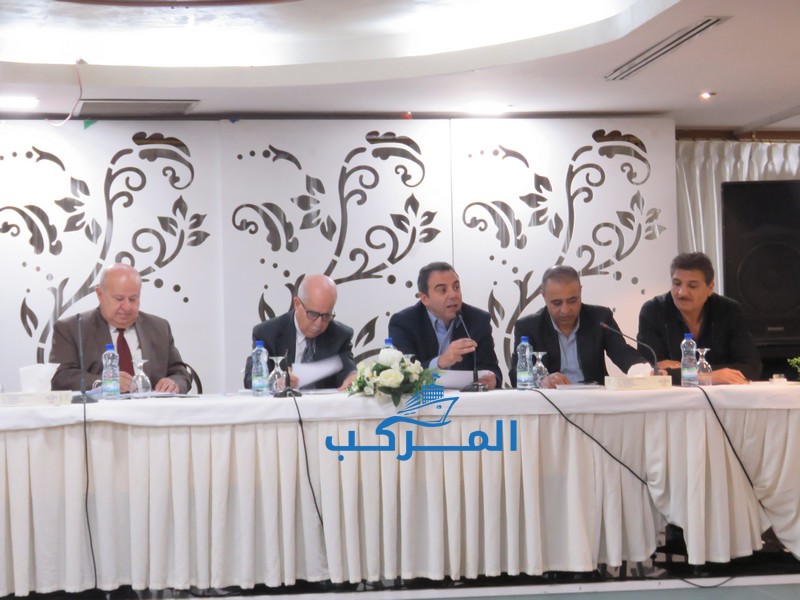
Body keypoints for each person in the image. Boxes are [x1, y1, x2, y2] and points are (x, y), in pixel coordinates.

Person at [50, 263, 192, 394]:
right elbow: (61, 378)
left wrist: (174, 383)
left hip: (151, 410)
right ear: (99, 294)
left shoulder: (159, 327)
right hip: (100, 411)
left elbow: (180, 372)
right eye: (119, 299)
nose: (127, 307)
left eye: (133, 299)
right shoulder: (72, 329)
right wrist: (103, 383)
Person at [509, 265, 650, 388]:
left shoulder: (599, 318)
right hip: (551, 402)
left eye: (572, 301)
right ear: (544, 297)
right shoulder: (528, 326)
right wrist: (542, 381)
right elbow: (516, 374)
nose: (565, 310)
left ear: (580, 291)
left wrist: (645, 371)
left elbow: (622, 353)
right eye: (557, 303)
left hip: (595, 400)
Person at [637, 251, 762, 384]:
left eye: (692, 285)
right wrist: (708, 376)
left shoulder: (729, 310)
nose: (682, 293)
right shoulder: (653, 310)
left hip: (723, 395)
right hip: (672, 396)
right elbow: (650, 372)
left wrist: (683, 371)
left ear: (710, 287)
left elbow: (751, 367)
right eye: (677, 283)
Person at [388, 261, 502, 389]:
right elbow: (402, 374)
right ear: (425, 298)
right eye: (442, 290)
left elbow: (492, 369)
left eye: (456, 287)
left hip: (466, 399)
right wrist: (440, 362)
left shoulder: (478, 320)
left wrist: (492, 380)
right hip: (422, 399)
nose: (453, 295)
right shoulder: (404, 322)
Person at [243, 274, 357, 390]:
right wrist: (275, 383)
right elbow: (250, 379)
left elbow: (348, 371)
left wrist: (352, 377)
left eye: (326, 315)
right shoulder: (267, 333)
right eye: (312, 314)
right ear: (297, 304)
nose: (318, 324)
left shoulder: (340, 335)